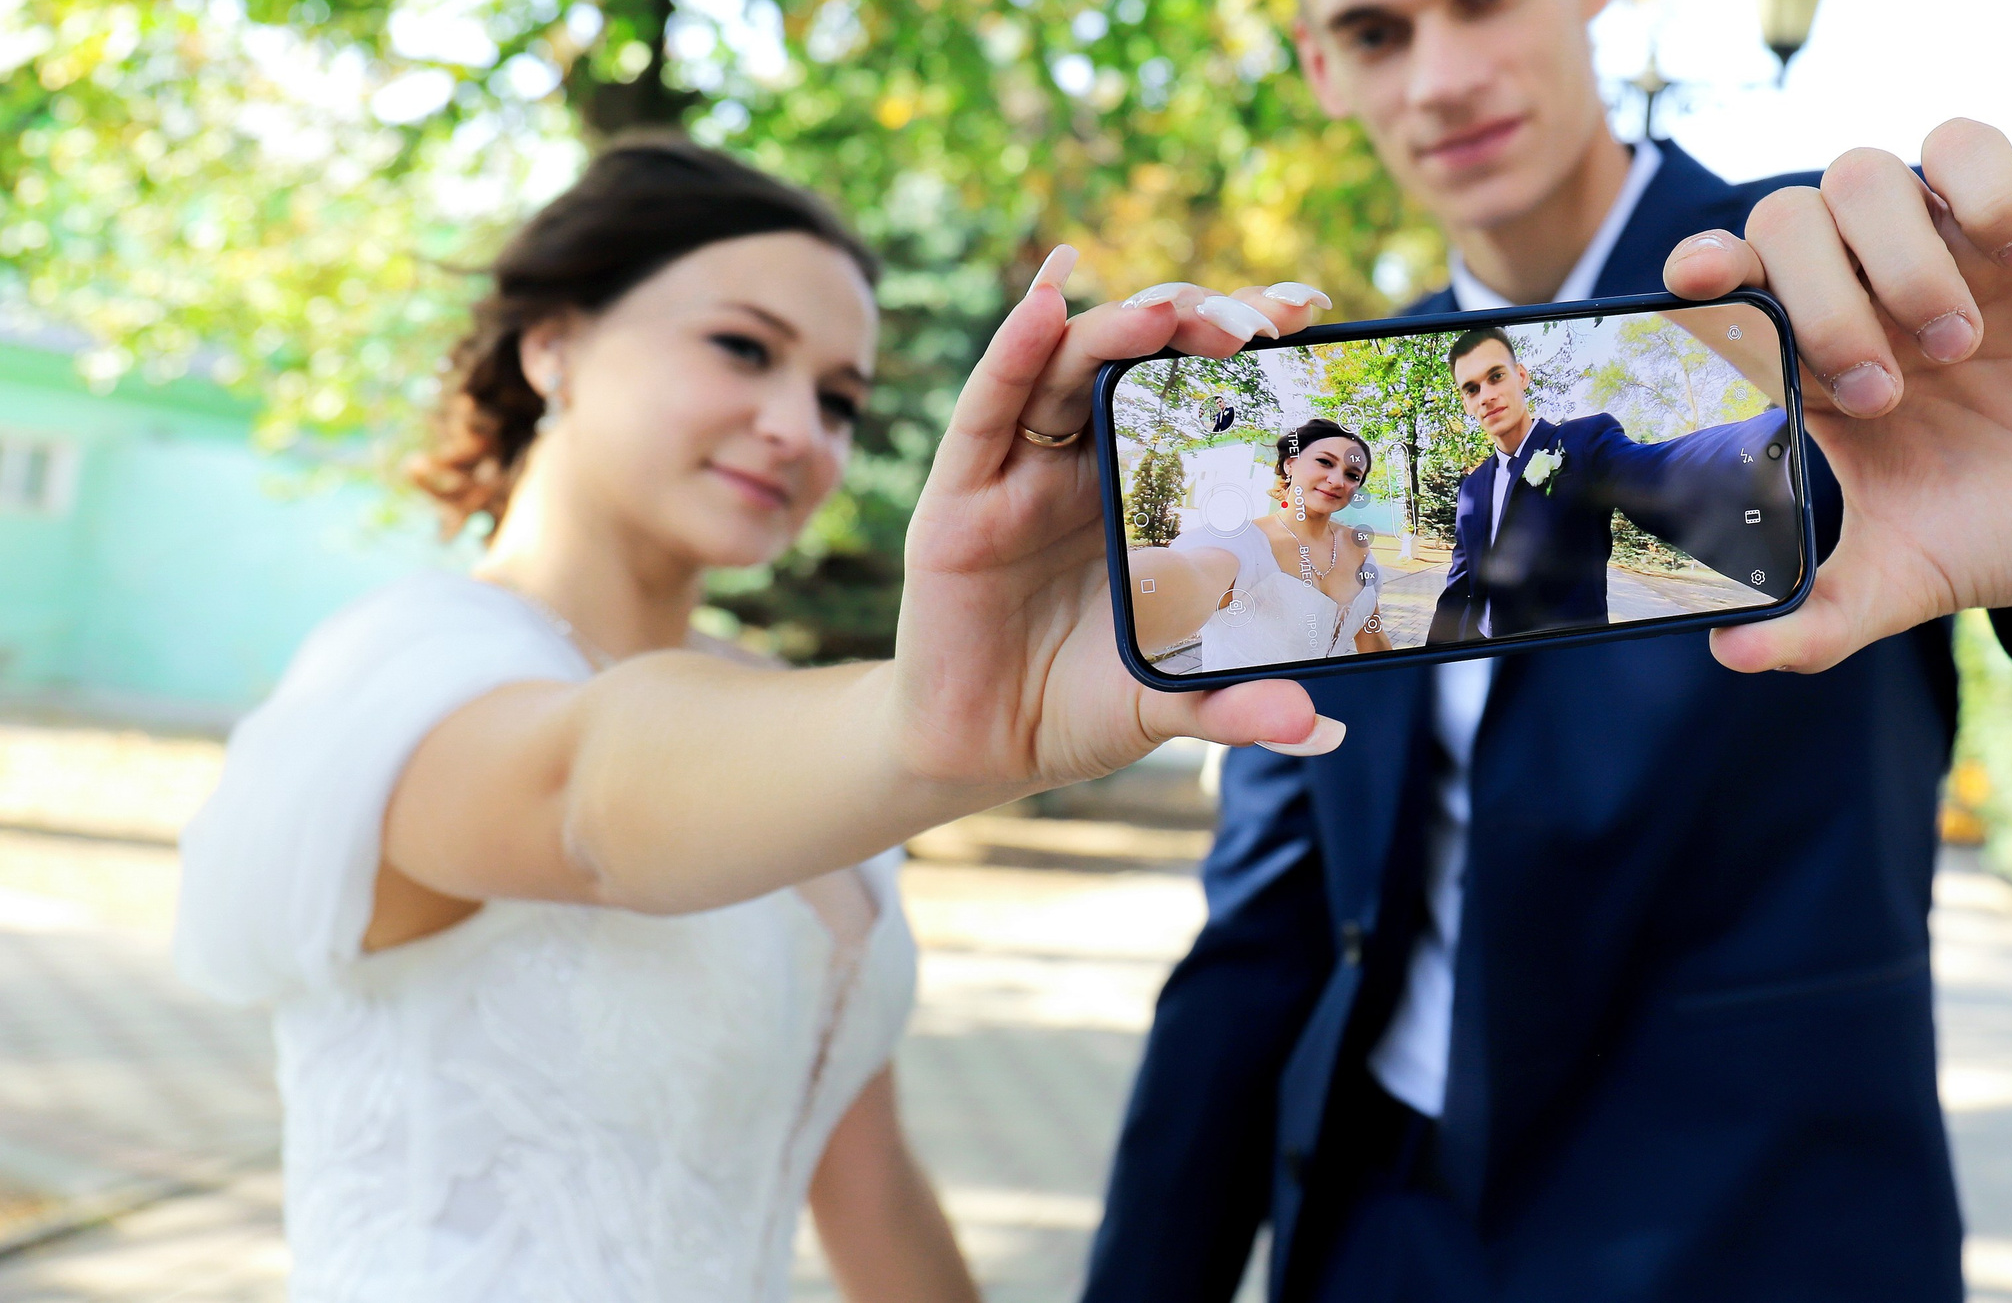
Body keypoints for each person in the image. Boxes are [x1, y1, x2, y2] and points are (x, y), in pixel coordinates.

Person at [1083, 0, 2012, 1302]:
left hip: (1755, 1230)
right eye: (1374, 31)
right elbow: (1269, 927)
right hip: (1380, 1226)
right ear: (1321, 68)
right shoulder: (1343, 429)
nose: (1443, 74)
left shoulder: (1828, 297)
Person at [170, 136, 1343, 1302]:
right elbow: (588, 795)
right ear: (552, 344)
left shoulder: (782, 710)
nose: (798, 427)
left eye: (839, 399)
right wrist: (928, 723)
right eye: (743, 347)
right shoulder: (408, 667)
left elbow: (867, 1179)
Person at [1426, 324, 1796, 642]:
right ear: (1465, 402)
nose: (1486, 396)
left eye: (1496, 376)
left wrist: (1775, 444)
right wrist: (1429, 668)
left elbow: (1657, 471)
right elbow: (1460, 586)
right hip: (1485, 665)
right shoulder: (1472, 488)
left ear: (1521, 376)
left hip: (1568, 668)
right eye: (1471, 389)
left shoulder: (1584, 441)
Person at [1132, 421, 1394, 671]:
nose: (1338, 481)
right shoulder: (1239, 543)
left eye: (1352, 474)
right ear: (1290, 464)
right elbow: (1188, 578)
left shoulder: (1359, 547)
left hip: (1333, 714)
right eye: (1325, 462)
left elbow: (1372, 637)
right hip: (1240, 714)